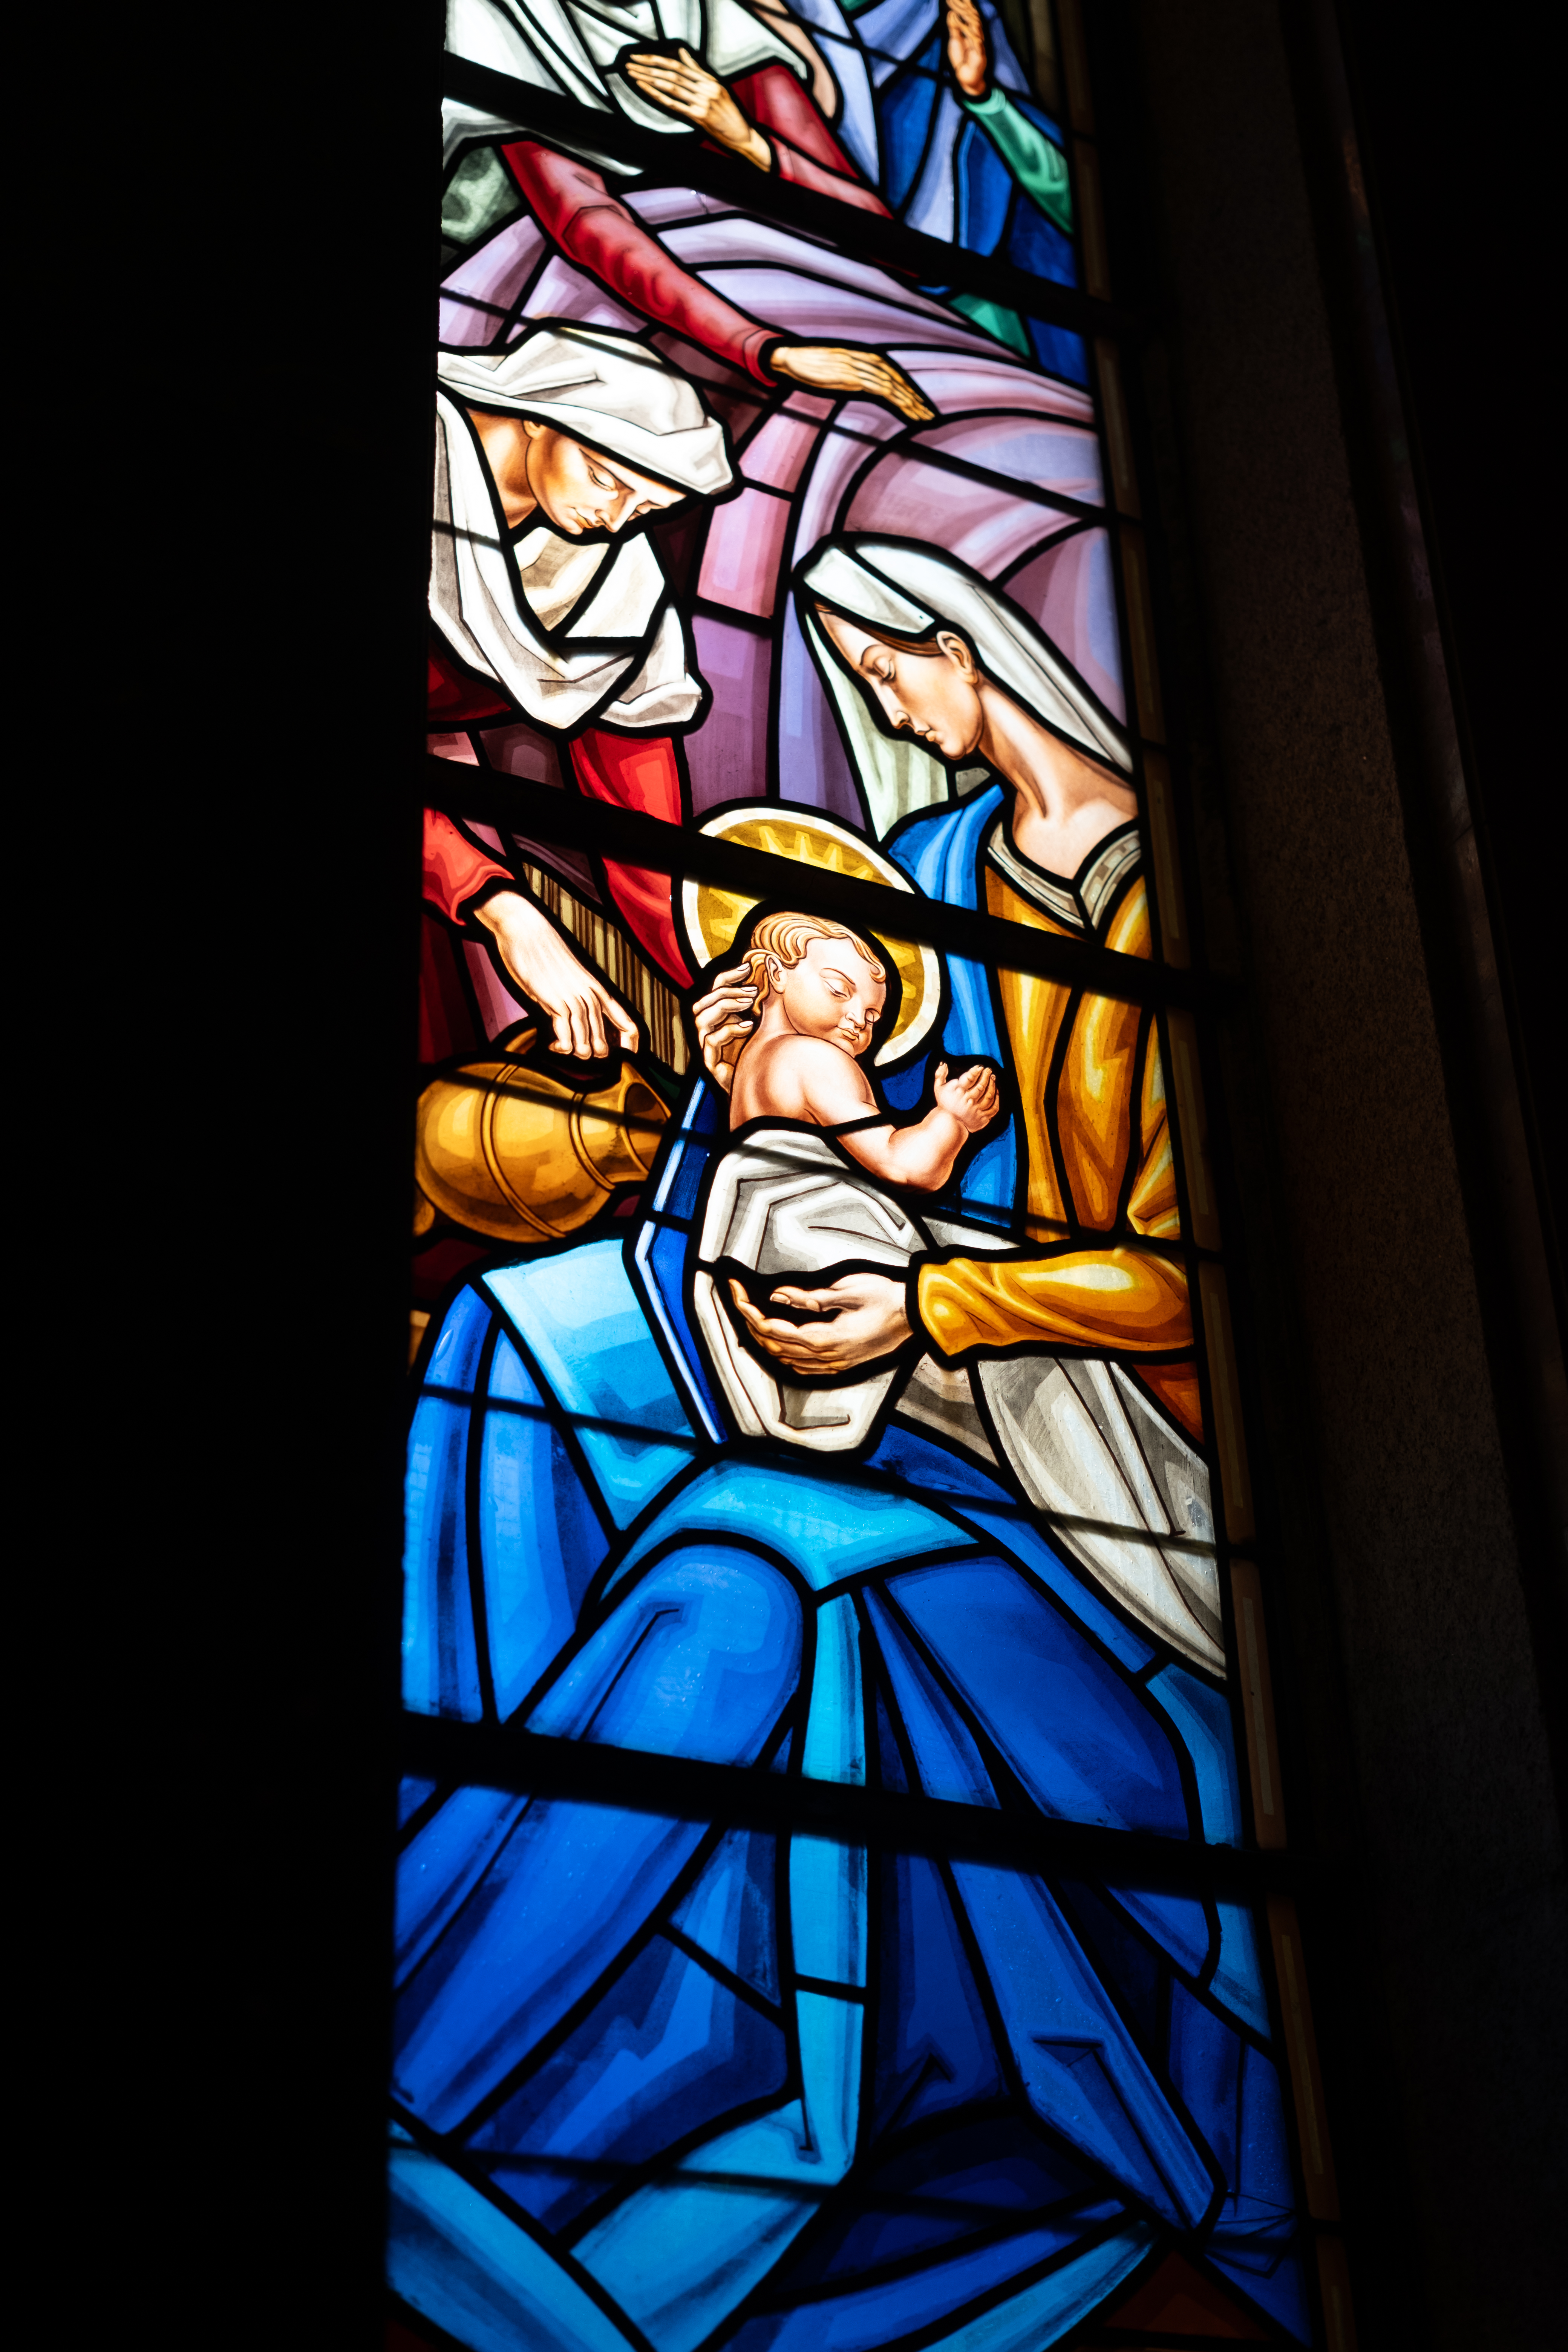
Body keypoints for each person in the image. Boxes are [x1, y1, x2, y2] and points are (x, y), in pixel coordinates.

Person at [443, 0, 933, 420]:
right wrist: (768, 351)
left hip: (820, 304)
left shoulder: (716, 20)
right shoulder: (514, 29)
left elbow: (892, 245)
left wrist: (744, 139)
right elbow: (588, 226)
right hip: (645, 323)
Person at [430, 319, 736, 983]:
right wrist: (491, 896)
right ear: (538, 415)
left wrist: (707, 982)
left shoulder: (620, 579)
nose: (621, 521)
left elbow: (639, 824)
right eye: (606, 479)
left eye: (652, 508)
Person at [726, 910, 999, 1185]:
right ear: (777, 973)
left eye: (872, 1017)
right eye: (838, 990)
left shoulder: (752, 1061)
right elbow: (903, 1167)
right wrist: (953, 1119)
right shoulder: (809, 1057)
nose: (858, 1020)